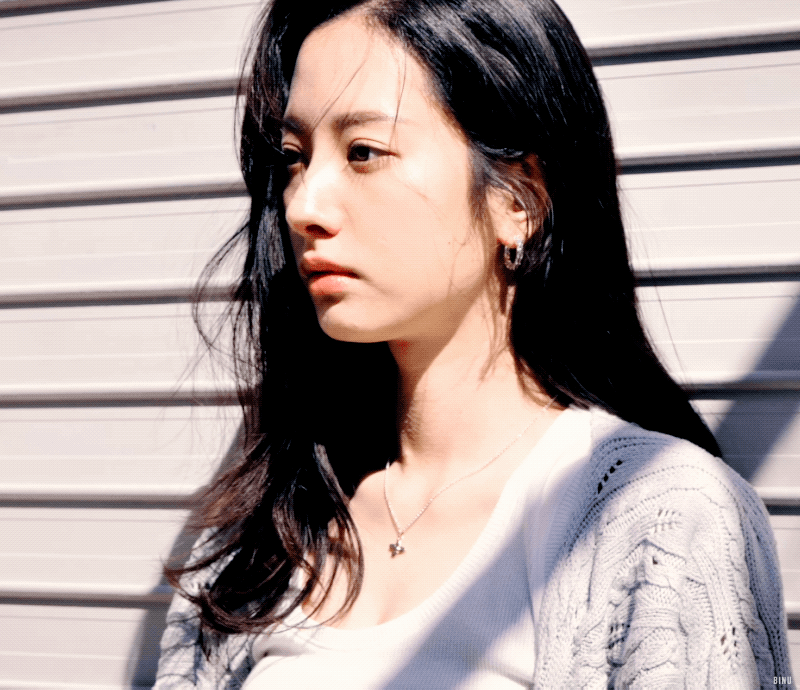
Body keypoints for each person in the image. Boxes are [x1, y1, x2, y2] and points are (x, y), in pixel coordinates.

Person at [154, 0, 793, 687]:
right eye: (295, 158)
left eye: (363, 152)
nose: (303, 206)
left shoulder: (661, 517)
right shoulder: (256, 538)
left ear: (519, 200)